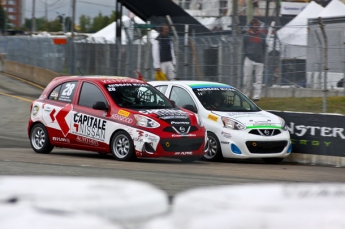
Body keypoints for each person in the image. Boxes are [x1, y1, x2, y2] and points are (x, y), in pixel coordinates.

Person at [242, 18, 266, 101]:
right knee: (247, 79)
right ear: (251, 25)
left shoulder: (262, 36)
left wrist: (262, 58)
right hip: (249, 59)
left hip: (259, 60)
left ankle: (256, 96)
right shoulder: (246, 36)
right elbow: (244, 47)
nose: (256, 26)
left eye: (257, 25)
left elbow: (264, 48)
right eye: (255, 25)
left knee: (258, 79)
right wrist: (247, 54)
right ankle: (246, 95)